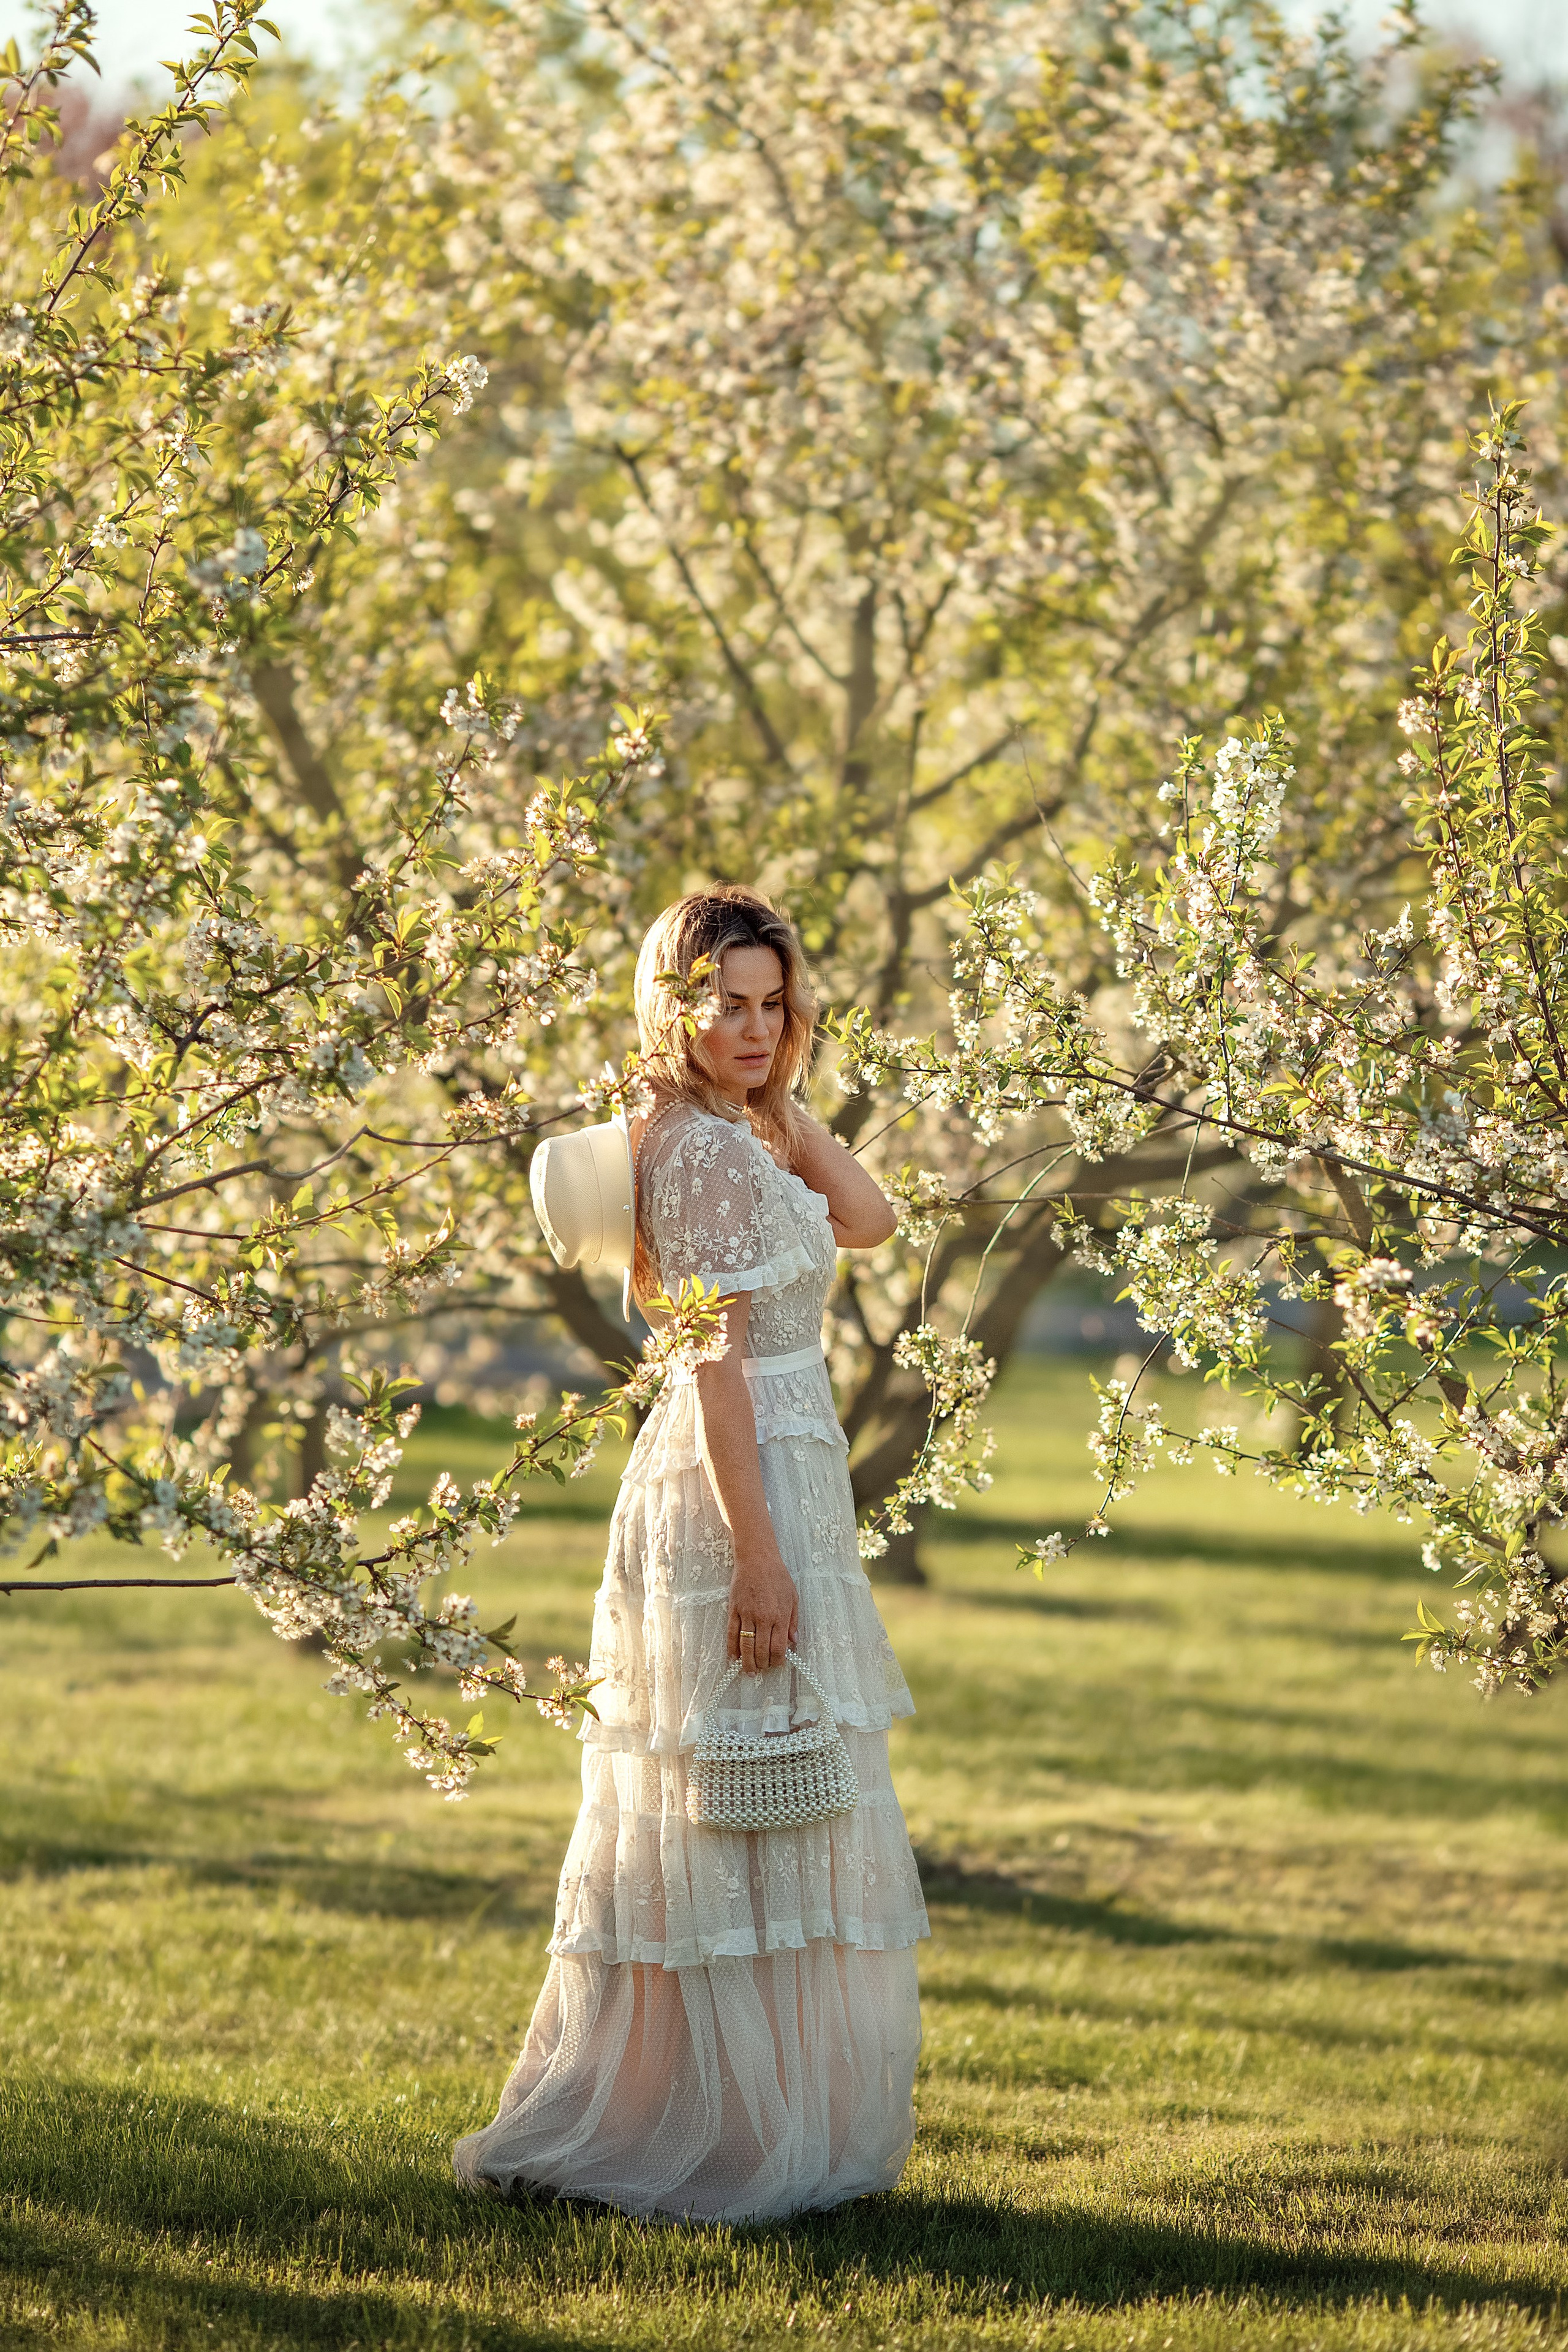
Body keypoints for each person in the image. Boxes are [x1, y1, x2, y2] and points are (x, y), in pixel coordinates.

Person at [454, 886, 929, 2222]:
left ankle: (748, 2114)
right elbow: (717, 1363)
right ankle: (709, 2131)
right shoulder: (702, 1155)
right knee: (739, 1784)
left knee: (768, 1785)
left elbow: (871, 1217)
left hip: (781, 1457)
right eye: (727, 1005)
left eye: (775, 1005)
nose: (756, 1027)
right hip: (740, 1476)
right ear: (673, 1007)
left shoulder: (731, 1131)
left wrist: (780, 1100)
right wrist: (757, 1557)